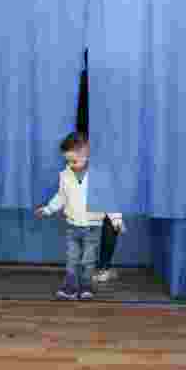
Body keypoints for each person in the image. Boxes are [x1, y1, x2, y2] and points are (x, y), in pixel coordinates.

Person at [35, 131, 123, 300]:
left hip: (92, 227)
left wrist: (116, 220)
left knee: (88, 260)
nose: (71, 164)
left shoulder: (98, 176)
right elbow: (61, 197)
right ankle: (70, 287)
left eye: (74, 160)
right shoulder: (65, 175)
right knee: (72, 258)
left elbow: (107, 200)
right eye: (68, 161)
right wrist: (47, 210)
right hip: (73, 226)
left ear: (86, 153)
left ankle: (86, 286)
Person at [75, 48, 122, 285]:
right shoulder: (116, 86)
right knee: (108, 212)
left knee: (89, 212)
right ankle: (101, 267)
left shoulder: (81, 85)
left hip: (85, 151)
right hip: (108, 153)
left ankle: (88, 266)